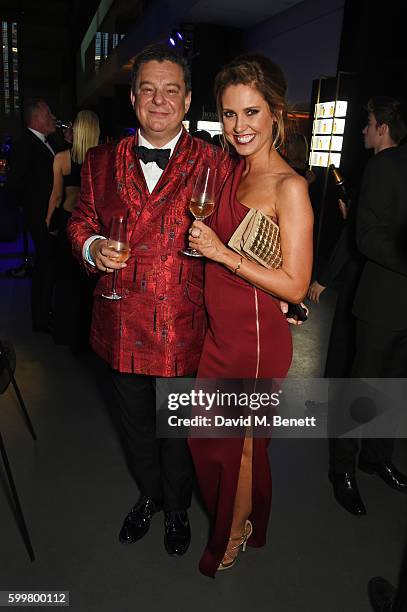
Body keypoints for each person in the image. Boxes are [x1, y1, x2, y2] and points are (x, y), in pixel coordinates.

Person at [67, 44, 234, 557]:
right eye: (148, 90)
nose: (159, 101)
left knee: (177, 431)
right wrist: (92, 247)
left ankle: (178, 507)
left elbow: (240, 237)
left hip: (185, 325)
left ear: (186, 102)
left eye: (171, 92)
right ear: (135, 100)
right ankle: (150, 496)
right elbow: (79, 224)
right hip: (119, 320)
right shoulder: (99, 162)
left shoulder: (216, 163)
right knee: (135, 427)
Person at [188, 54, 313, 576]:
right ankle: (243, 516)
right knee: (207, 436)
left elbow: (296, 283)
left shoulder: (291, 188)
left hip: (255, 339)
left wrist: (221, 254)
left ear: (276, 114)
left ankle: (234, 531)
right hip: (223, 330)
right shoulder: (235, 169)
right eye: (230, 114)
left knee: (235, 446)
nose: (240, 127)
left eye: (252, 113)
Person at [327, 96, 407, 515]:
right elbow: (367, 239)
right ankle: (342, 471)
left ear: (384, 127)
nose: (363, 130)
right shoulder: (380, 167)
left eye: (368, 123)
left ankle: (376, 459)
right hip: (378, 304)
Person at [46, 110, 100, 348]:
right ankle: (86, 337)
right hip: (92, 225)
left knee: (65, 282)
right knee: (87, 283)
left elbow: (56, 196)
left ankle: (65, 333)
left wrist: (48, 222)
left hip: (69, 221)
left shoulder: (61, 158)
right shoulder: (101, 158)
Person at [7, 99, 57, 331]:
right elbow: (15, 182)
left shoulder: (48, 142)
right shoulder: (24, 144)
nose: (53, 118)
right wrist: (30, 207)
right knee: (44, 265)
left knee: (48, 264)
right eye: (48, 115)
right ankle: (41, 318)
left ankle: (48, 311)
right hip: (38, 215)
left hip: (49, 214)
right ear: (37, 118)